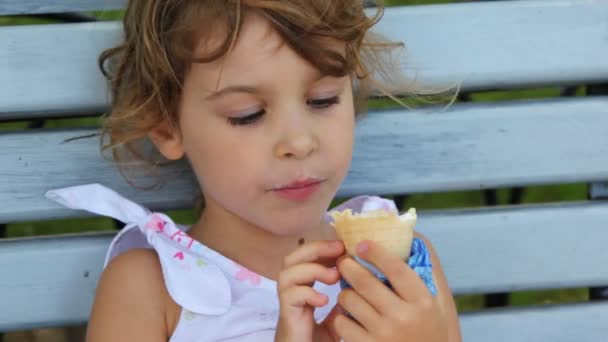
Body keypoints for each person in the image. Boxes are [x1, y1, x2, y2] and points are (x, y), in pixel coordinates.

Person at [47, 1, 461, 341]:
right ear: (167, 127)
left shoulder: (403, 267)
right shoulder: (150, 291)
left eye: (322, 100)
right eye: (248, 115)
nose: (299, 142)